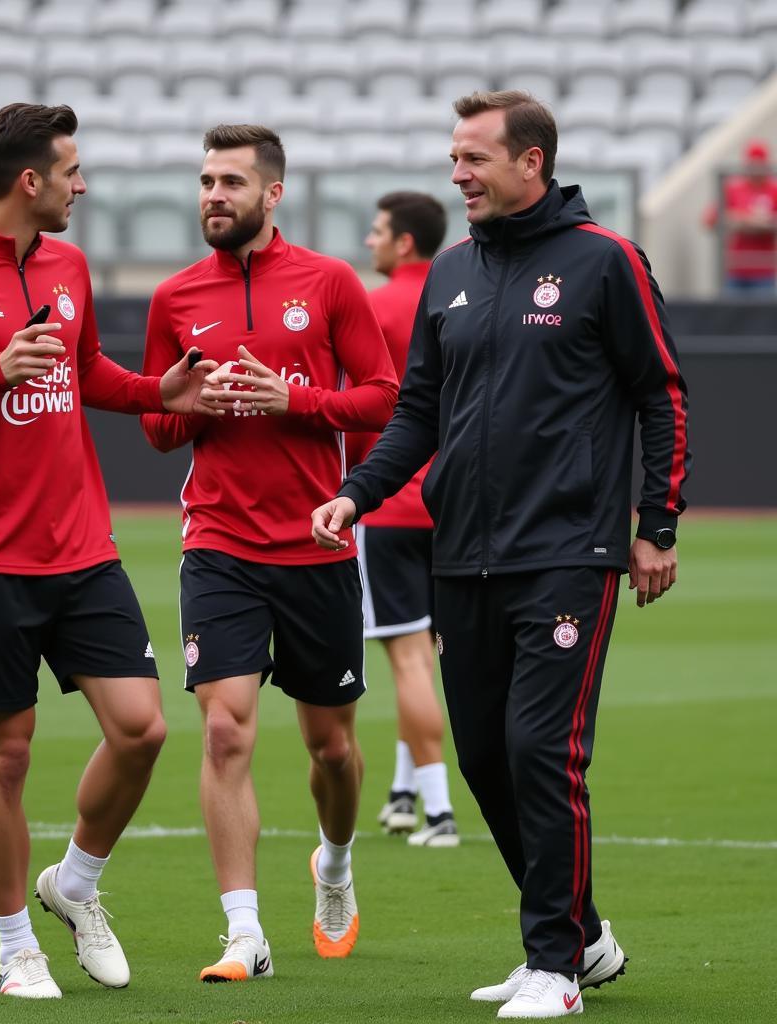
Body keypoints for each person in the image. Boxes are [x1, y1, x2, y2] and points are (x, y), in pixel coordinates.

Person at [312, 91, 690, 1019]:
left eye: (474, 159)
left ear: (532, 164)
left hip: (570, 549)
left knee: (540, 749)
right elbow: (418, 414)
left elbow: (663, 396)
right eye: (453, 157)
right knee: (481, 753)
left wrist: (658, 524)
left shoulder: (607, 262)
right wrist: (358, 493)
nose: (457, 175)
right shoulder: (448, 274)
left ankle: (554, 970)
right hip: (462, 553)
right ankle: (582, 938)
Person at [0, 103, 215, 1000]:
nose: (83, 183)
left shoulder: (66, 262)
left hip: (82, 548)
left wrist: (161, 389)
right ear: (30, 181)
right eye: (72, 170)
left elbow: (89, 367)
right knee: (8, 756)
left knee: (143, 729)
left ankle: (74, 886)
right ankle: (13, 945)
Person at [140, 124, 398, 983]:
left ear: (272, 194)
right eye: (207, 180)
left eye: (231, 182)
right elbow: (158, 427)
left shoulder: (328, 284)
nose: (214, 194)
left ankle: (334, 863)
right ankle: (243, 931)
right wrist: (196, 401)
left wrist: (295, 398)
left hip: (318, 544)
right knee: (222, 730)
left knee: (331, 748)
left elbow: (385, 401)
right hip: (218, 543)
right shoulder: (174, 296)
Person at [355, 191, 458, 848]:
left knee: (409, 660)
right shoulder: (459, 292)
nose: (369, 242)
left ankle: (441, 811)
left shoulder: (377, 304)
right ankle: (403, 794)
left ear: (403, 242)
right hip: (451, 500)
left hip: (390, 499)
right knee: (425, 650)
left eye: (376, 231)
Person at [704, 139, 777, 294]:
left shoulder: (773, 189)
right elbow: (710, 220)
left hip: (765, 271)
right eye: (752, 164)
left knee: (765, 315)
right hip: (736, 269)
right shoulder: (734, 188)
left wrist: (761, 224)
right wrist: (744, 220)